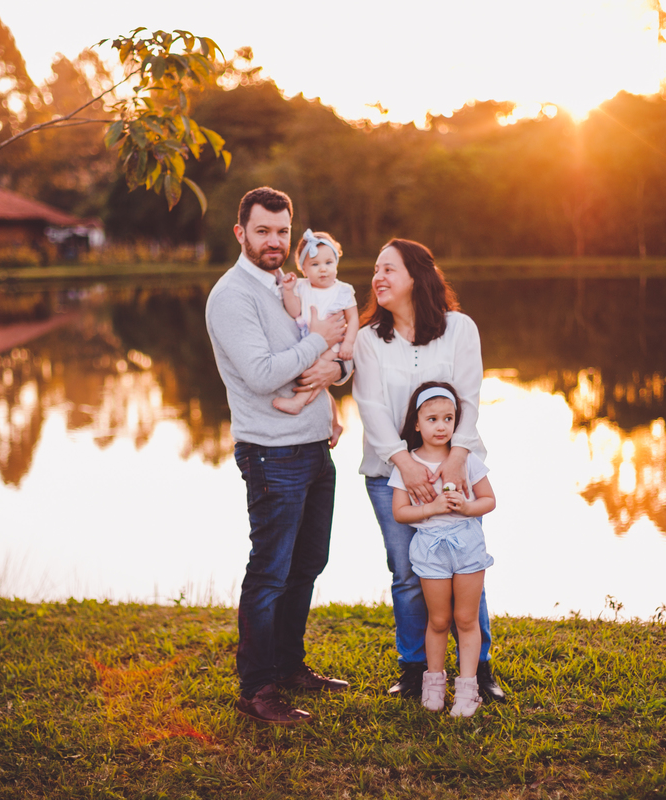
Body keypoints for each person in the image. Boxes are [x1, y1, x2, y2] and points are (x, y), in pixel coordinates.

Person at [205, 187, 353, 725]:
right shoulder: (231, 297)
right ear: (241, 232)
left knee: (308, 563)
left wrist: (336, 368)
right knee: (269, 572)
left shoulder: (292, 284)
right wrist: (317, 343)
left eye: (283, 231)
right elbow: (265, 374)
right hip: (272, 455)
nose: (274, 241)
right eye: (263, 230)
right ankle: (257, 689)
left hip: (315, 448)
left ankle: (290, 667)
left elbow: (340, 351)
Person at [352, 238, 506, 703]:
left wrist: (458, 457)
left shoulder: (459, 329)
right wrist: (404, 461)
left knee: (466, 566)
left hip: (454, 468)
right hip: (390, 474)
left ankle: (477, 673)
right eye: (375, 270)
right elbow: (371, 405)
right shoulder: (367, 339)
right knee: (407, 572)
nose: (377, 277)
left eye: (388, 269)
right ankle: (416, 669)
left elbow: (470, 395)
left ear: (417, 277)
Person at [390, 381, 496, 717]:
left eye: (448, 419)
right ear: (417, 424)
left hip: (466, 547)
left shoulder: (466, 460)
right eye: (432, 419)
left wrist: (466, 508)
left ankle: (468, 690)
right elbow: (400, 512)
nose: (441, 426)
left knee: (466, 618)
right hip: (429, 551)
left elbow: (489, 500)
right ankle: (432, 686)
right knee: (438, 620)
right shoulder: (408, 465)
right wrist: (432, 509)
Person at [273, 229, 358, 448]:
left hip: (335, 345)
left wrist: (348, 343)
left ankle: (298, 402)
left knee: (315, 371)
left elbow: (353, 319)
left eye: (329, 263)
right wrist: (289, 291)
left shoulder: (343, 290)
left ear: (336, 264)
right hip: (309, 341)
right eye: (315, 265)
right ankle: (335, 422)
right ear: (303, 268)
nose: (323, 269)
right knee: (320, 381)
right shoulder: (302, 287)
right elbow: (294, 311)